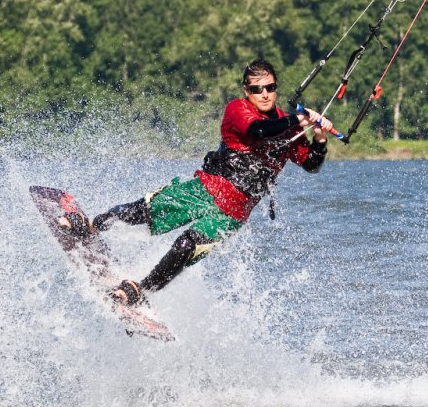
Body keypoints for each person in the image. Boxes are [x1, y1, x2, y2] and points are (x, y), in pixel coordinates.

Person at [59, 59, 333, 305]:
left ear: (276, 89)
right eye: (256, 89)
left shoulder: (290, 129)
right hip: (206, 189)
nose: (264, 94)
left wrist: (319, 136)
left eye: (270, 88)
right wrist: (298, 118)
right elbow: (258, 130)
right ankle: (91, 227)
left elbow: (311, 164)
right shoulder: (238, 109)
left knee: (186, 247)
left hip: (233, 213)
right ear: (246, 91)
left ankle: (140, 291)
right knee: (145, 210)